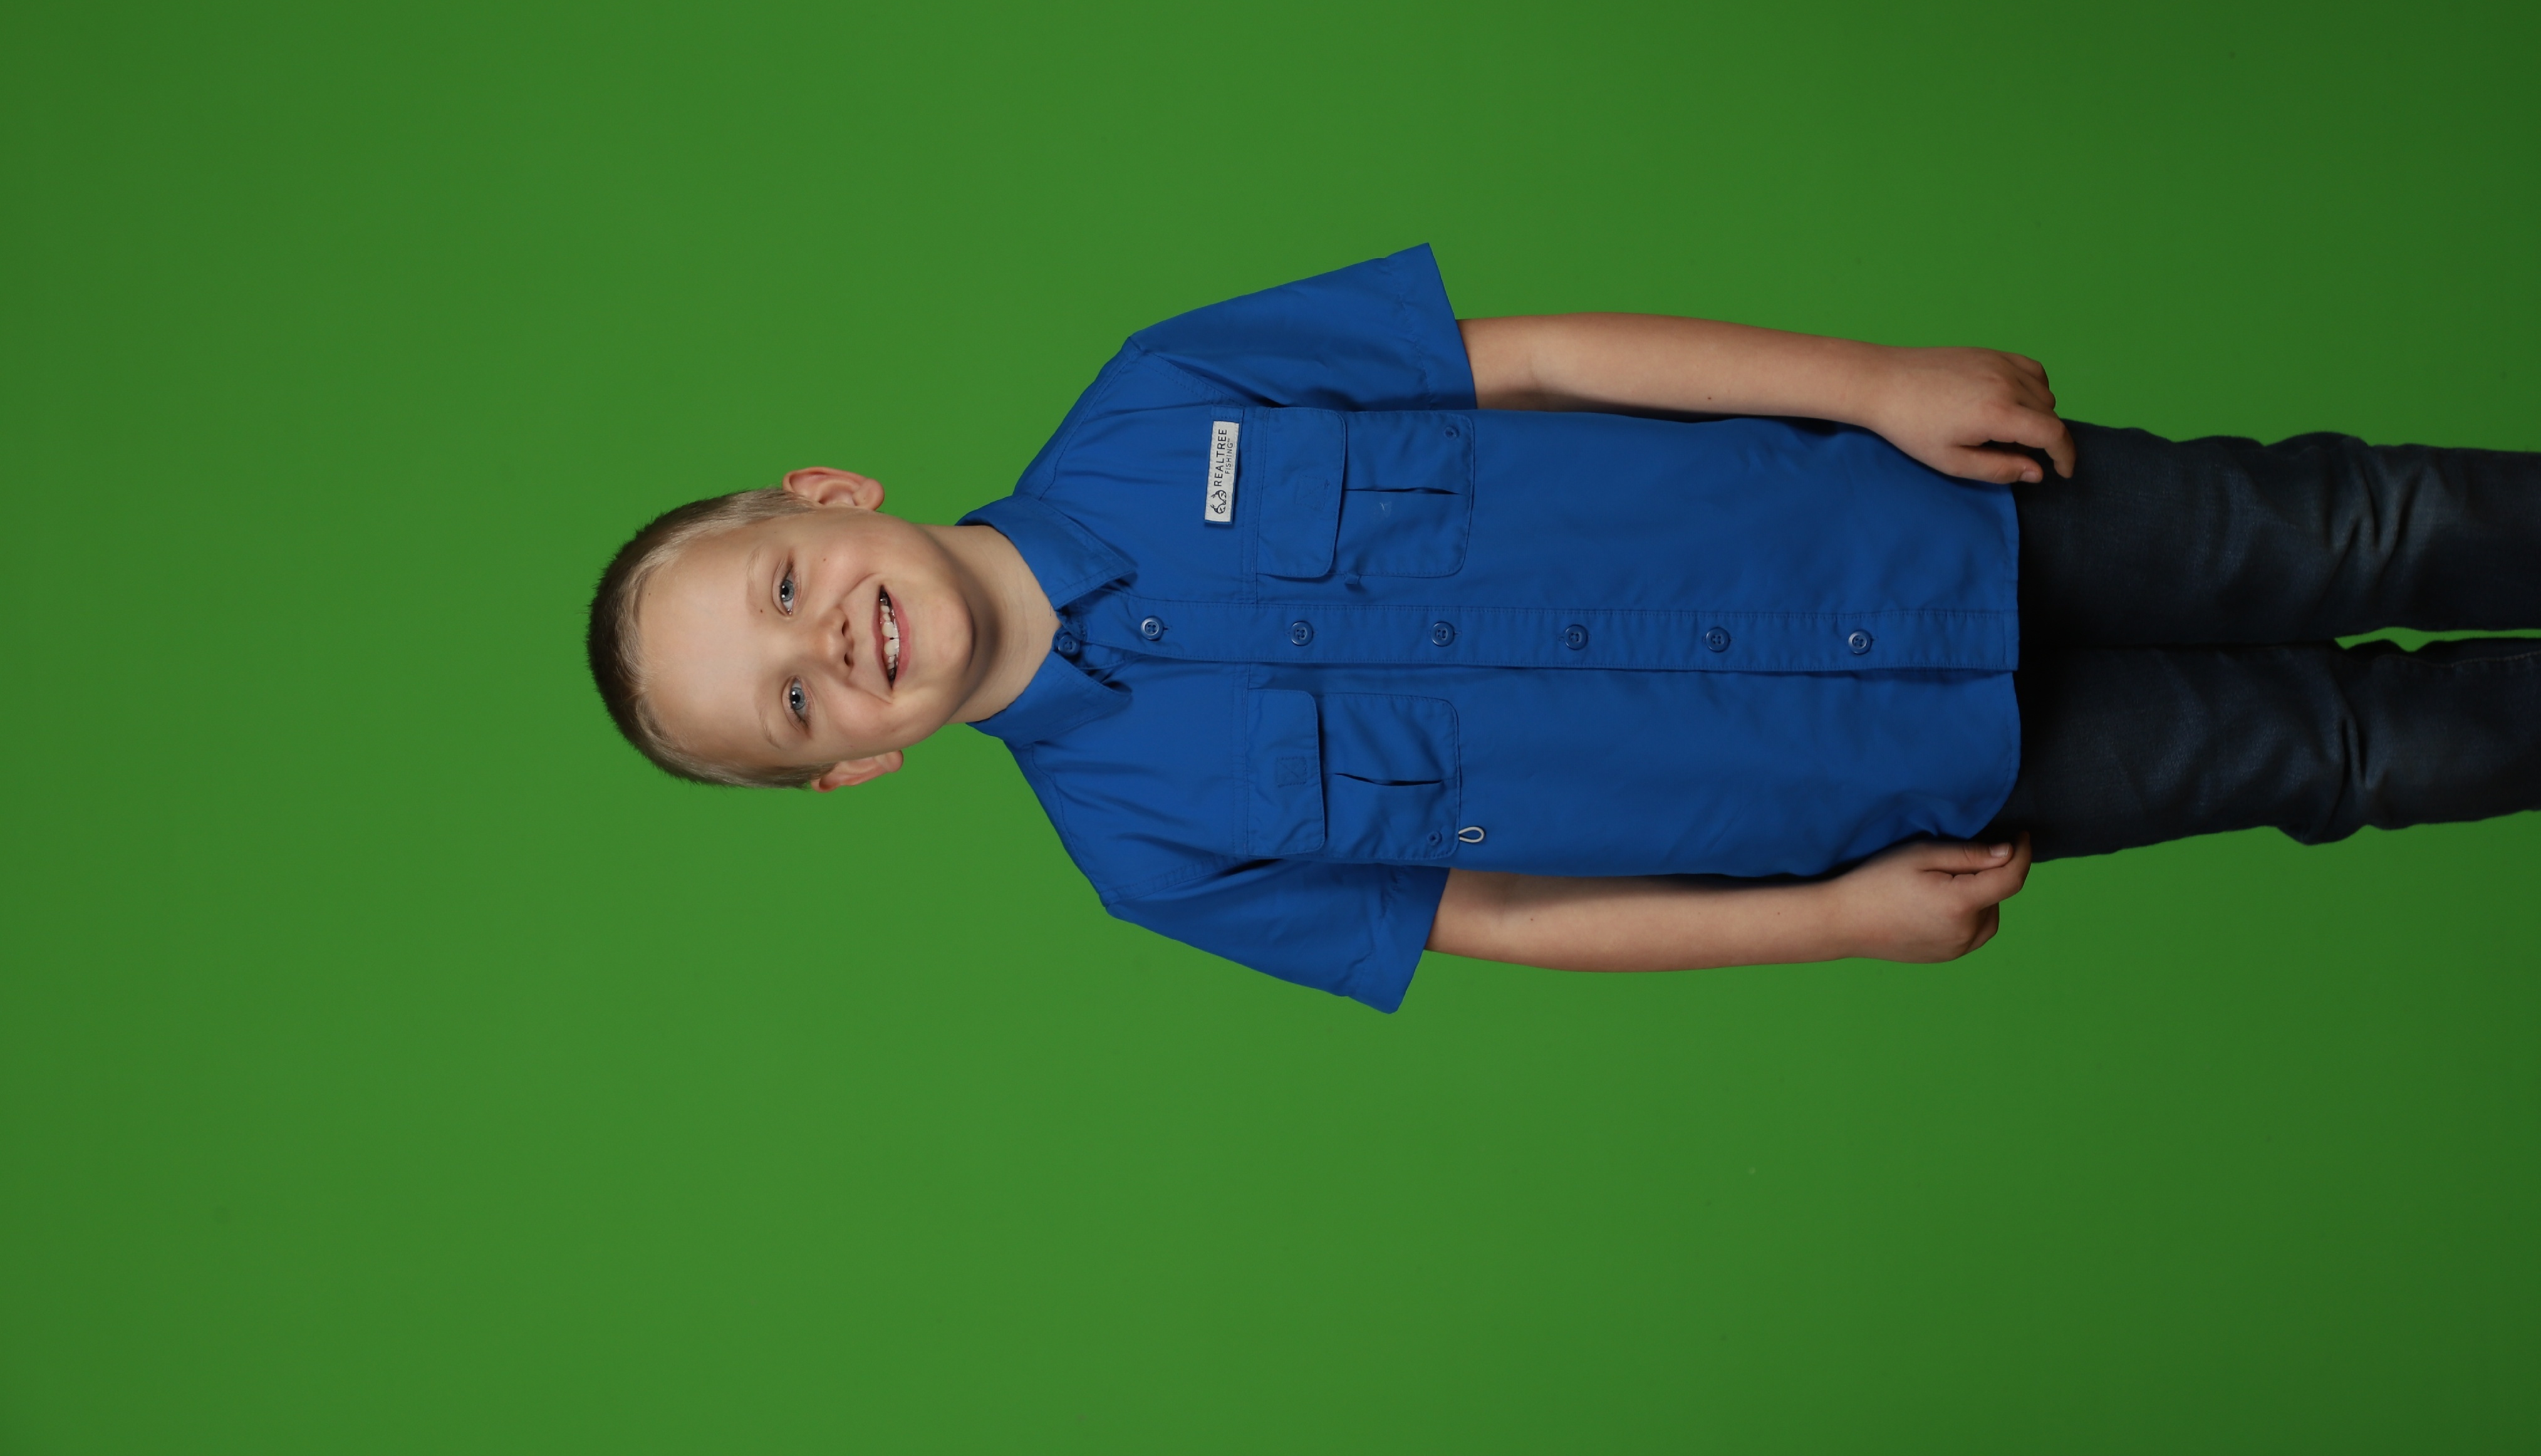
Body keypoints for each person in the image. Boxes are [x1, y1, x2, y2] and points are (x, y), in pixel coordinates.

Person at [585, 247, 2541, 1011]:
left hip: (1909, 518)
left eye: (780, 590)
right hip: (1892, 781)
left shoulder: (1164, 391)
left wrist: (1870, 386)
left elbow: (1524, 359)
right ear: (854, 771)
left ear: (826, 493)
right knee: (2339, 755)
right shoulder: (1146, 853)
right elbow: (1506, 919)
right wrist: (1834, 920)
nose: (827, 644)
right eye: (789, 705)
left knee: (2358, 524)